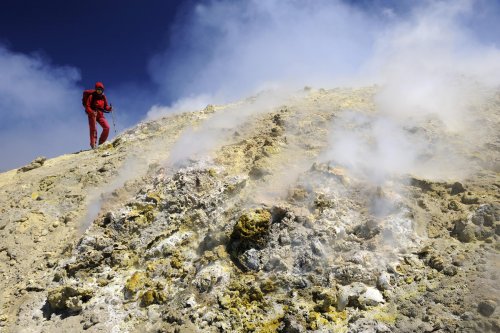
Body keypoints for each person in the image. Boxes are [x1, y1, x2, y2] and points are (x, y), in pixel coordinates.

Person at [85, 82, 112, 149]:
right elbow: (87, 106)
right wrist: (91, 112)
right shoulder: (91, 96)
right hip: (92, 115)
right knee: (93, 129)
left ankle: (101, 142)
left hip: (100, 115)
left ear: (102, 90)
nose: (99, 91)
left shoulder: (103, 97)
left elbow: (105, 106)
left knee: (107, 127)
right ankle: (93, 144)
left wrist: (109, 108)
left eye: (100, 89)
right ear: (96, 89)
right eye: (98, 89)